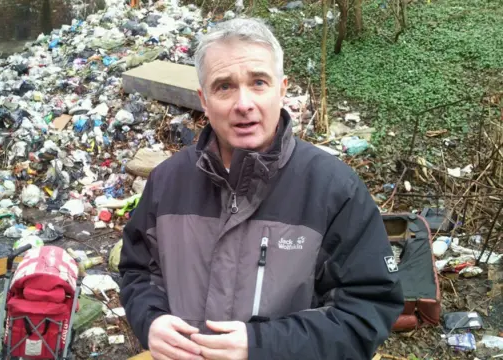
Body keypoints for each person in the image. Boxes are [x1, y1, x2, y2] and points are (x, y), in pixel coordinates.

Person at [119, 17, 404, 360]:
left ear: (282, 89)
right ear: (203, 100)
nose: (243, 104)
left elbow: (365, 311)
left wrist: (263, 346)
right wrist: (151, 321)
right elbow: (137, 272)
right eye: (224, 86)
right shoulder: (167, 181)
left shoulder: (335, 190)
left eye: (258, 82)